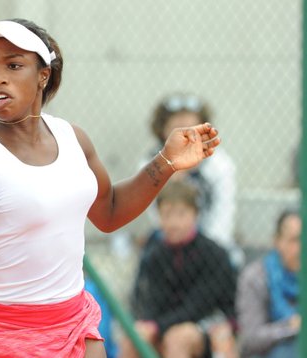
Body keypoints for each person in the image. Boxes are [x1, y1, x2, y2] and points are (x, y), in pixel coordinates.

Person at [0, 19, 221, 357]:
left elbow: (109, 212)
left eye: (14, 65)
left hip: (72, 323)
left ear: (44, 74)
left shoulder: (73, 138)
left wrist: (167, 161)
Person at [124, 181, 237, 358]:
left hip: (207, 325)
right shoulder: (154, 255)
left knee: (177, 339)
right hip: (165, 324)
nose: (173, 223)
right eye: (166, 215)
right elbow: (147, 300)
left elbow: (198, 306)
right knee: (134, 337)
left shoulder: (214, 254)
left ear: (195, 215)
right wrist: (147, 326)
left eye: (181, 214)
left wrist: (156, 326)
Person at [139, 93, 240, 266]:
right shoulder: (150, 163)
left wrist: (206, 249)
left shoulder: (219, 164)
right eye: (177, 127)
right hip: (167, 244)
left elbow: (225, 214)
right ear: (163, 130)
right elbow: (154, 215)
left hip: (211, 247)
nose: (185, 134)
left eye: (191, 127)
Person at [236, 209, 301, 358]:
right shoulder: (256, 277)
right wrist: (290, 328)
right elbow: (251, 338)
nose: (301, 248)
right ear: (277, 241)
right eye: (294, 240)